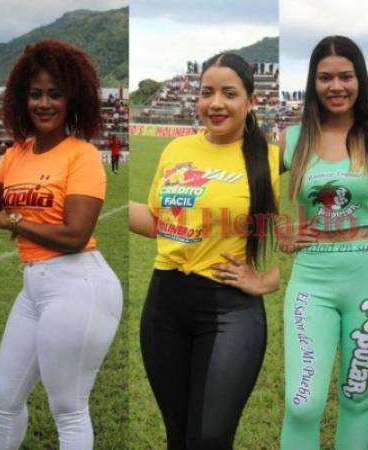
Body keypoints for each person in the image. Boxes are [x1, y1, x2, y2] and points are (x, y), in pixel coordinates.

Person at [278, 35, 368, 450]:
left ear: (360, 79)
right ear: (313, 82)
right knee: (302, 403)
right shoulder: (291, 139)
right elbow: (253, 195)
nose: (336, 86)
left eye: (345, 76)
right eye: (325, 77)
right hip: (312, 281)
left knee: (356, 397)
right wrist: (279, 231)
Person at [129, 52, 279, 449]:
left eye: (229, 93)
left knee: (209, 438)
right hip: (164, 303)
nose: (215, 103)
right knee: (178, 436)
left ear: (251, 101)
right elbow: (159, 221)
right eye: (206, 92)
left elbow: (305, 238)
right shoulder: (176, 151)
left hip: (230, 309)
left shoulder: (271, 158)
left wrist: (267, 279)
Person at [0, 40, 122, 450]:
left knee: (68, 407)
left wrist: (8, 220)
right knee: (4, 396)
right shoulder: (17, 153)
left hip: (79, 285)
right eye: (36, 93)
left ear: (71, 98)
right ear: (22, 98)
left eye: (55, 94)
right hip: (34, 286)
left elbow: (75, 236)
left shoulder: (81, 155)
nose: (44, 103)